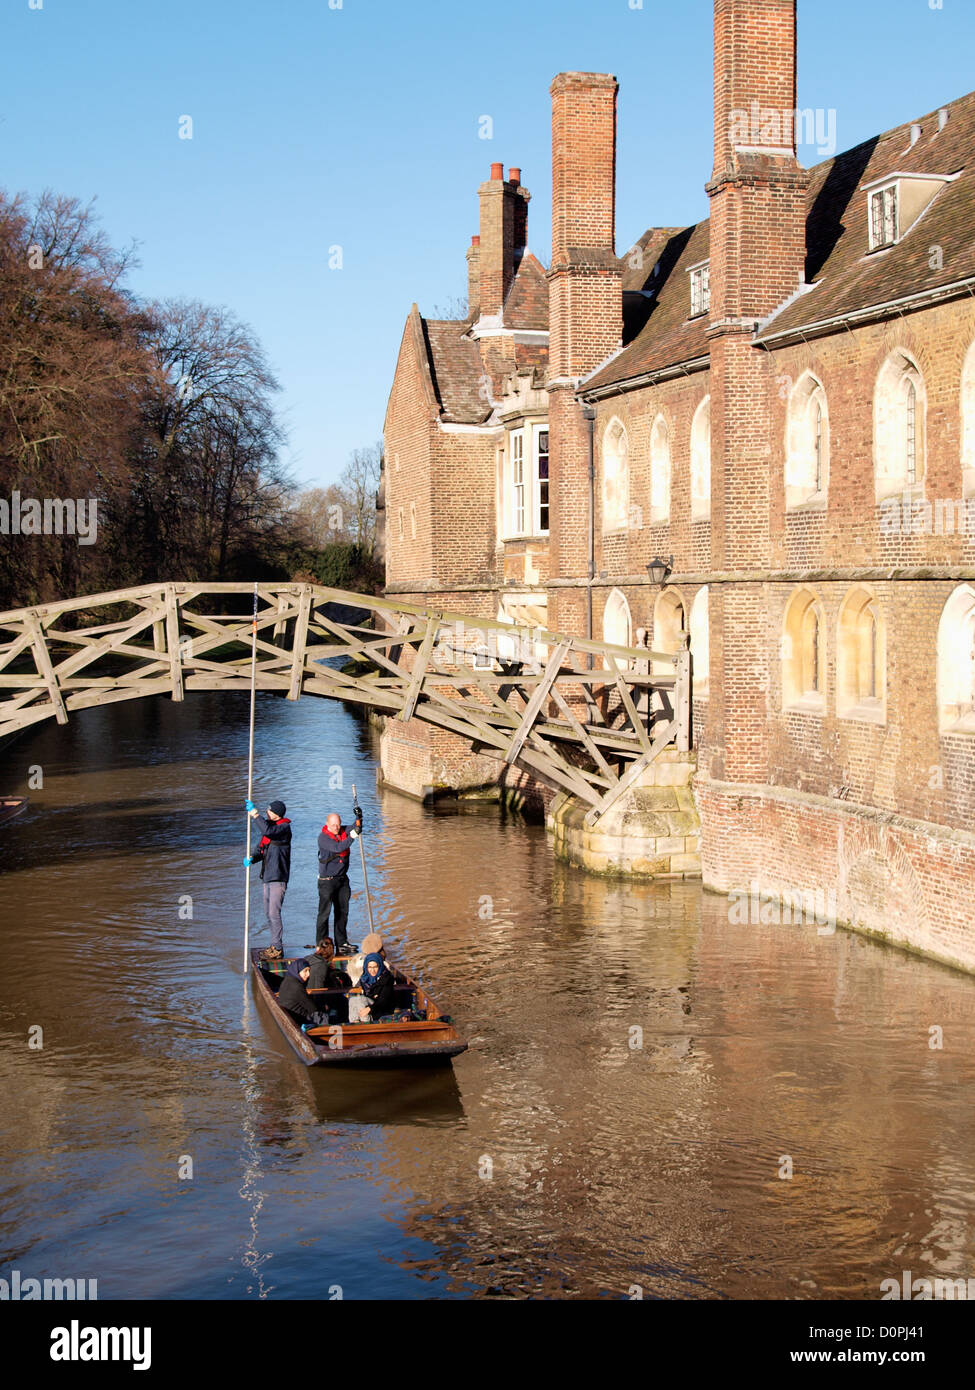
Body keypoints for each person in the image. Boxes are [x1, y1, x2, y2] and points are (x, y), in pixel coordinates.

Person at [245, 799, 292, 962]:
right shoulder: (270, 831)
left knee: (274, 912)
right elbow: (261, 850)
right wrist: (252, 858)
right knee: (268, 913)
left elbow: (268, 831)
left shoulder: (283, 828)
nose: (267, 812)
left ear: (276, 813)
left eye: (269, 810)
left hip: (279, 876)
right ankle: (273, 945)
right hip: (267, 876)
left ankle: (278, 948)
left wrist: (255, 815)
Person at [316, 800, 363, 953]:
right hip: (327, 881)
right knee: (324, 914)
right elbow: (338, 848)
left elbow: (356, 828)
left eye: (338, 825)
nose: (336, 828)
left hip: (342, 880)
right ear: (327, 824)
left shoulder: (342, 831)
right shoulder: (323, 838)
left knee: (342, 912)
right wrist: (352, 837)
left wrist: (359, 817)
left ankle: (342, 943)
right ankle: (321, 945)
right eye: (333, 825)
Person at [275, 959, 328, 1030]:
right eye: (305, 971)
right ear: (297, 971)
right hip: (298, 1018)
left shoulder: (288, 980)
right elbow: (312, 1008)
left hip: (290, 1014)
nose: (308, 974)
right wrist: (324, 1008)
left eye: (309, 970)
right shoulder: (297, 987)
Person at [358, 952, 396, 1023]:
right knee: (353, 1000)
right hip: (369, 1004)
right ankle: (354, 1022)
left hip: (381, 1009)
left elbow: (384, 1000)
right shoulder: (364, 979)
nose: (372, 970)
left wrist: (370, 1008)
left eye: (375, 967)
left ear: (380, 966)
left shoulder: (387, 978)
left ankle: (366, 1024)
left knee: (361, 1000)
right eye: (370, 967)